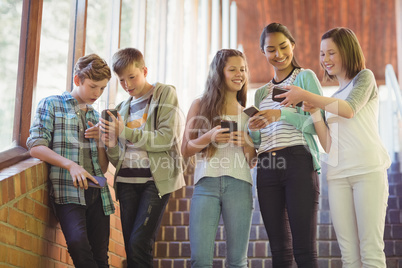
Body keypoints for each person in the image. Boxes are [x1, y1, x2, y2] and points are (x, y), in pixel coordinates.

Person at [279, 27, 391, 268]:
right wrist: (316, 114)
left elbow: (349, 110)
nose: (325, 60)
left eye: (331, 53)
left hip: (367, 172)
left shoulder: (365, 78)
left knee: (370, 251)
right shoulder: (334, 95)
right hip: (338, 176)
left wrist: (307, 95)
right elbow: (329, 144)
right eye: (322, 54)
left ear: (347, 52)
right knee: (348, 256)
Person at [99, 47, 186, 267]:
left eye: (132, 77)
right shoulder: (121, 108)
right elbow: (119, 157)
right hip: (126, 183)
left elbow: (167, 138)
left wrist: (124, 131)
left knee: (139, 242)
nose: (127, 84)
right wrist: (109, 143)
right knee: (132, 246)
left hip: (153, 182)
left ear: (144, 70)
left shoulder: (164, 93)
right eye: (121, 80)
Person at [26, 54, 114, 268]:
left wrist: (101, 142)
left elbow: (101, 168)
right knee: (78, 246)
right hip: (68, 191)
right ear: (77, 80)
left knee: (101, 258)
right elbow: (36, 146)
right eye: (93, 86)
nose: (97, 93)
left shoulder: (96, 116)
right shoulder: (52, 104)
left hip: (98, 195)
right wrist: (70, 165)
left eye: (102, 88)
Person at [248, 23, 323, 267]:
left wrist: (280, 115)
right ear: (263, 52)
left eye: (283, 46)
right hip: (267, 166)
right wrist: (254, 128)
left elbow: (318, 126)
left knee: (304, 250)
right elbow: (260, 141)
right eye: (271, 49)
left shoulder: (305, 77)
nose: (278, 54)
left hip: (298, 161)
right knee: (279, 251)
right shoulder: (260, 93)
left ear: (293, 44)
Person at [181, 49, 256, 267]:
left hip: (240, 185)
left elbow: (252, 161)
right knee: (200, 259)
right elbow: (185, 149)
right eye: (232, 69)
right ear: (218, 73)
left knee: (237, 261)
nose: (239, 74)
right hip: (206, 185)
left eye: (242, 69)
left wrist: (247, 142)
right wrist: (210, 136)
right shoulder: (200, 105)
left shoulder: (249, 113)